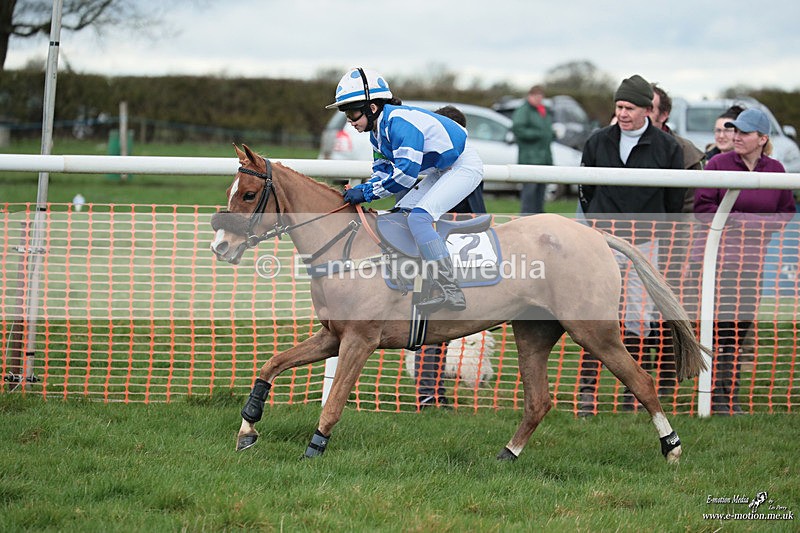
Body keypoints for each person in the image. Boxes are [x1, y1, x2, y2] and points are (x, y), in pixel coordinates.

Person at [327, 67, 484, 313]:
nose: (350, 120)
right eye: (345, 113)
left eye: (353, 112)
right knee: (400, 214)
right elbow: (381, 172)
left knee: (419, 219)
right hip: (442, 169)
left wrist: (366, 193)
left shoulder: (399, 124)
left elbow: (404, 176)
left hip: (463, 166)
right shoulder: (377, 133)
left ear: (373, 107)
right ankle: (419, 277)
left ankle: (450, 288)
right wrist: (365, 188)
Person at [577, 74, 686, 416]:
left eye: (630, 107)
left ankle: (632, 394)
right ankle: (587, 392)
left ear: (647, 111)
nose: (622, 113)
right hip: (602, 242)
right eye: (619, 106)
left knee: (640, 321)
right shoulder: (597, 141)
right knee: (591, 317)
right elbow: (585, 190)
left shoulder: (669, 148)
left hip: (644, 243)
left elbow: (673, 202)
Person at [692, 108, 796, 415]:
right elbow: (702, 209)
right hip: (719, 264)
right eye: (734, 130)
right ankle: (712, 396)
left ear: (762, 139)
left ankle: (728, 395)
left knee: (739, 331)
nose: (735, 136)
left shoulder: (776, 170)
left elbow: (786, 211)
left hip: (753, 265)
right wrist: (746, 221)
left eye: (743, 132)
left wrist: (745, 222)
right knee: (721, 330)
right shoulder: (717, 164)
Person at [413, 105, 487, 408]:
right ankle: (428, 393)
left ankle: (432, 390)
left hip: (463, 242)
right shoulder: (442, 162)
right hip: (440, 246)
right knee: (434, 320)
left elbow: (475, 211)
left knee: (450, 318)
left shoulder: (462, 160)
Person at [643, 83, 705, 400]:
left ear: (663, 114)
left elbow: (690, 209)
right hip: (632, 246)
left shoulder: (684, 151)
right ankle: (634, 386)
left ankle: (666, 384)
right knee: (633, 323)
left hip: (673, 250)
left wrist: (681, 254)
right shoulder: (616, 145)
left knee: (669, 320)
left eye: (648, 108)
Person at [512, 85, 554, 215]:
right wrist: (538, 134)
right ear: (530, 96)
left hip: (544, 158)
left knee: (540, 194)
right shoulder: (523, 111)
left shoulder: (544, 110)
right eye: (536, 96)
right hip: (529, 159)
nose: (539, 99)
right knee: (529, 194)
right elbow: (518, 129)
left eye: (541, 97)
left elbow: (547, 131)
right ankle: (526, 217)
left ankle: (538, 217)